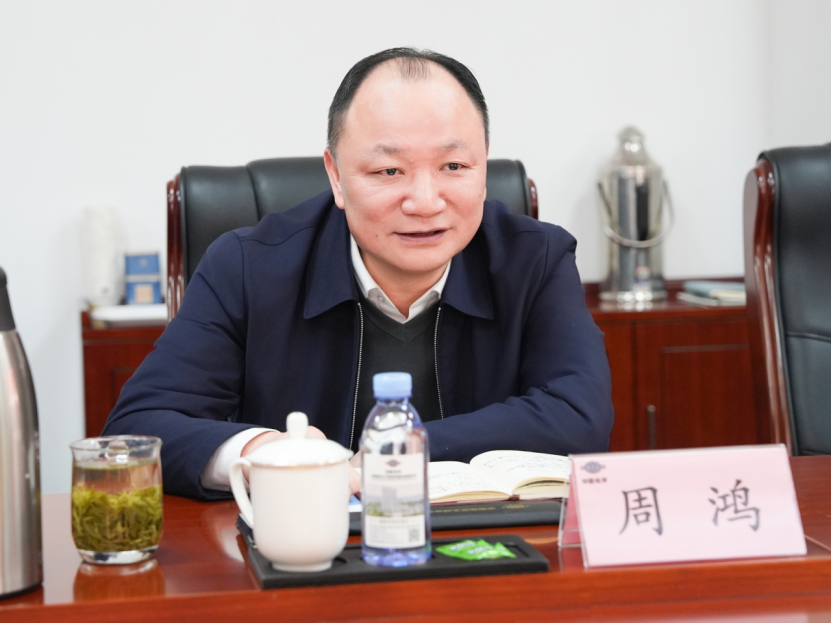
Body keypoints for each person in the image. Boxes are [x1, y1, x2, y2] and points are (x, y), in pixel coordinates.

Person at [103, 48, 613, 500]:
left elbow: (580, 417)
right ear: (336, 176)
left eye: (454, 166)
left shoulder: (535, 259)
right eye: (389, 171)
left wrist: (399, 451)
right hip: (303, 553)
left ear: (483, 169)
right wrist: (264, 452)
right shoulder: (245, 267)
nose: (425, 202)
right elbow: (138, 429)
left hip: (484, 552)